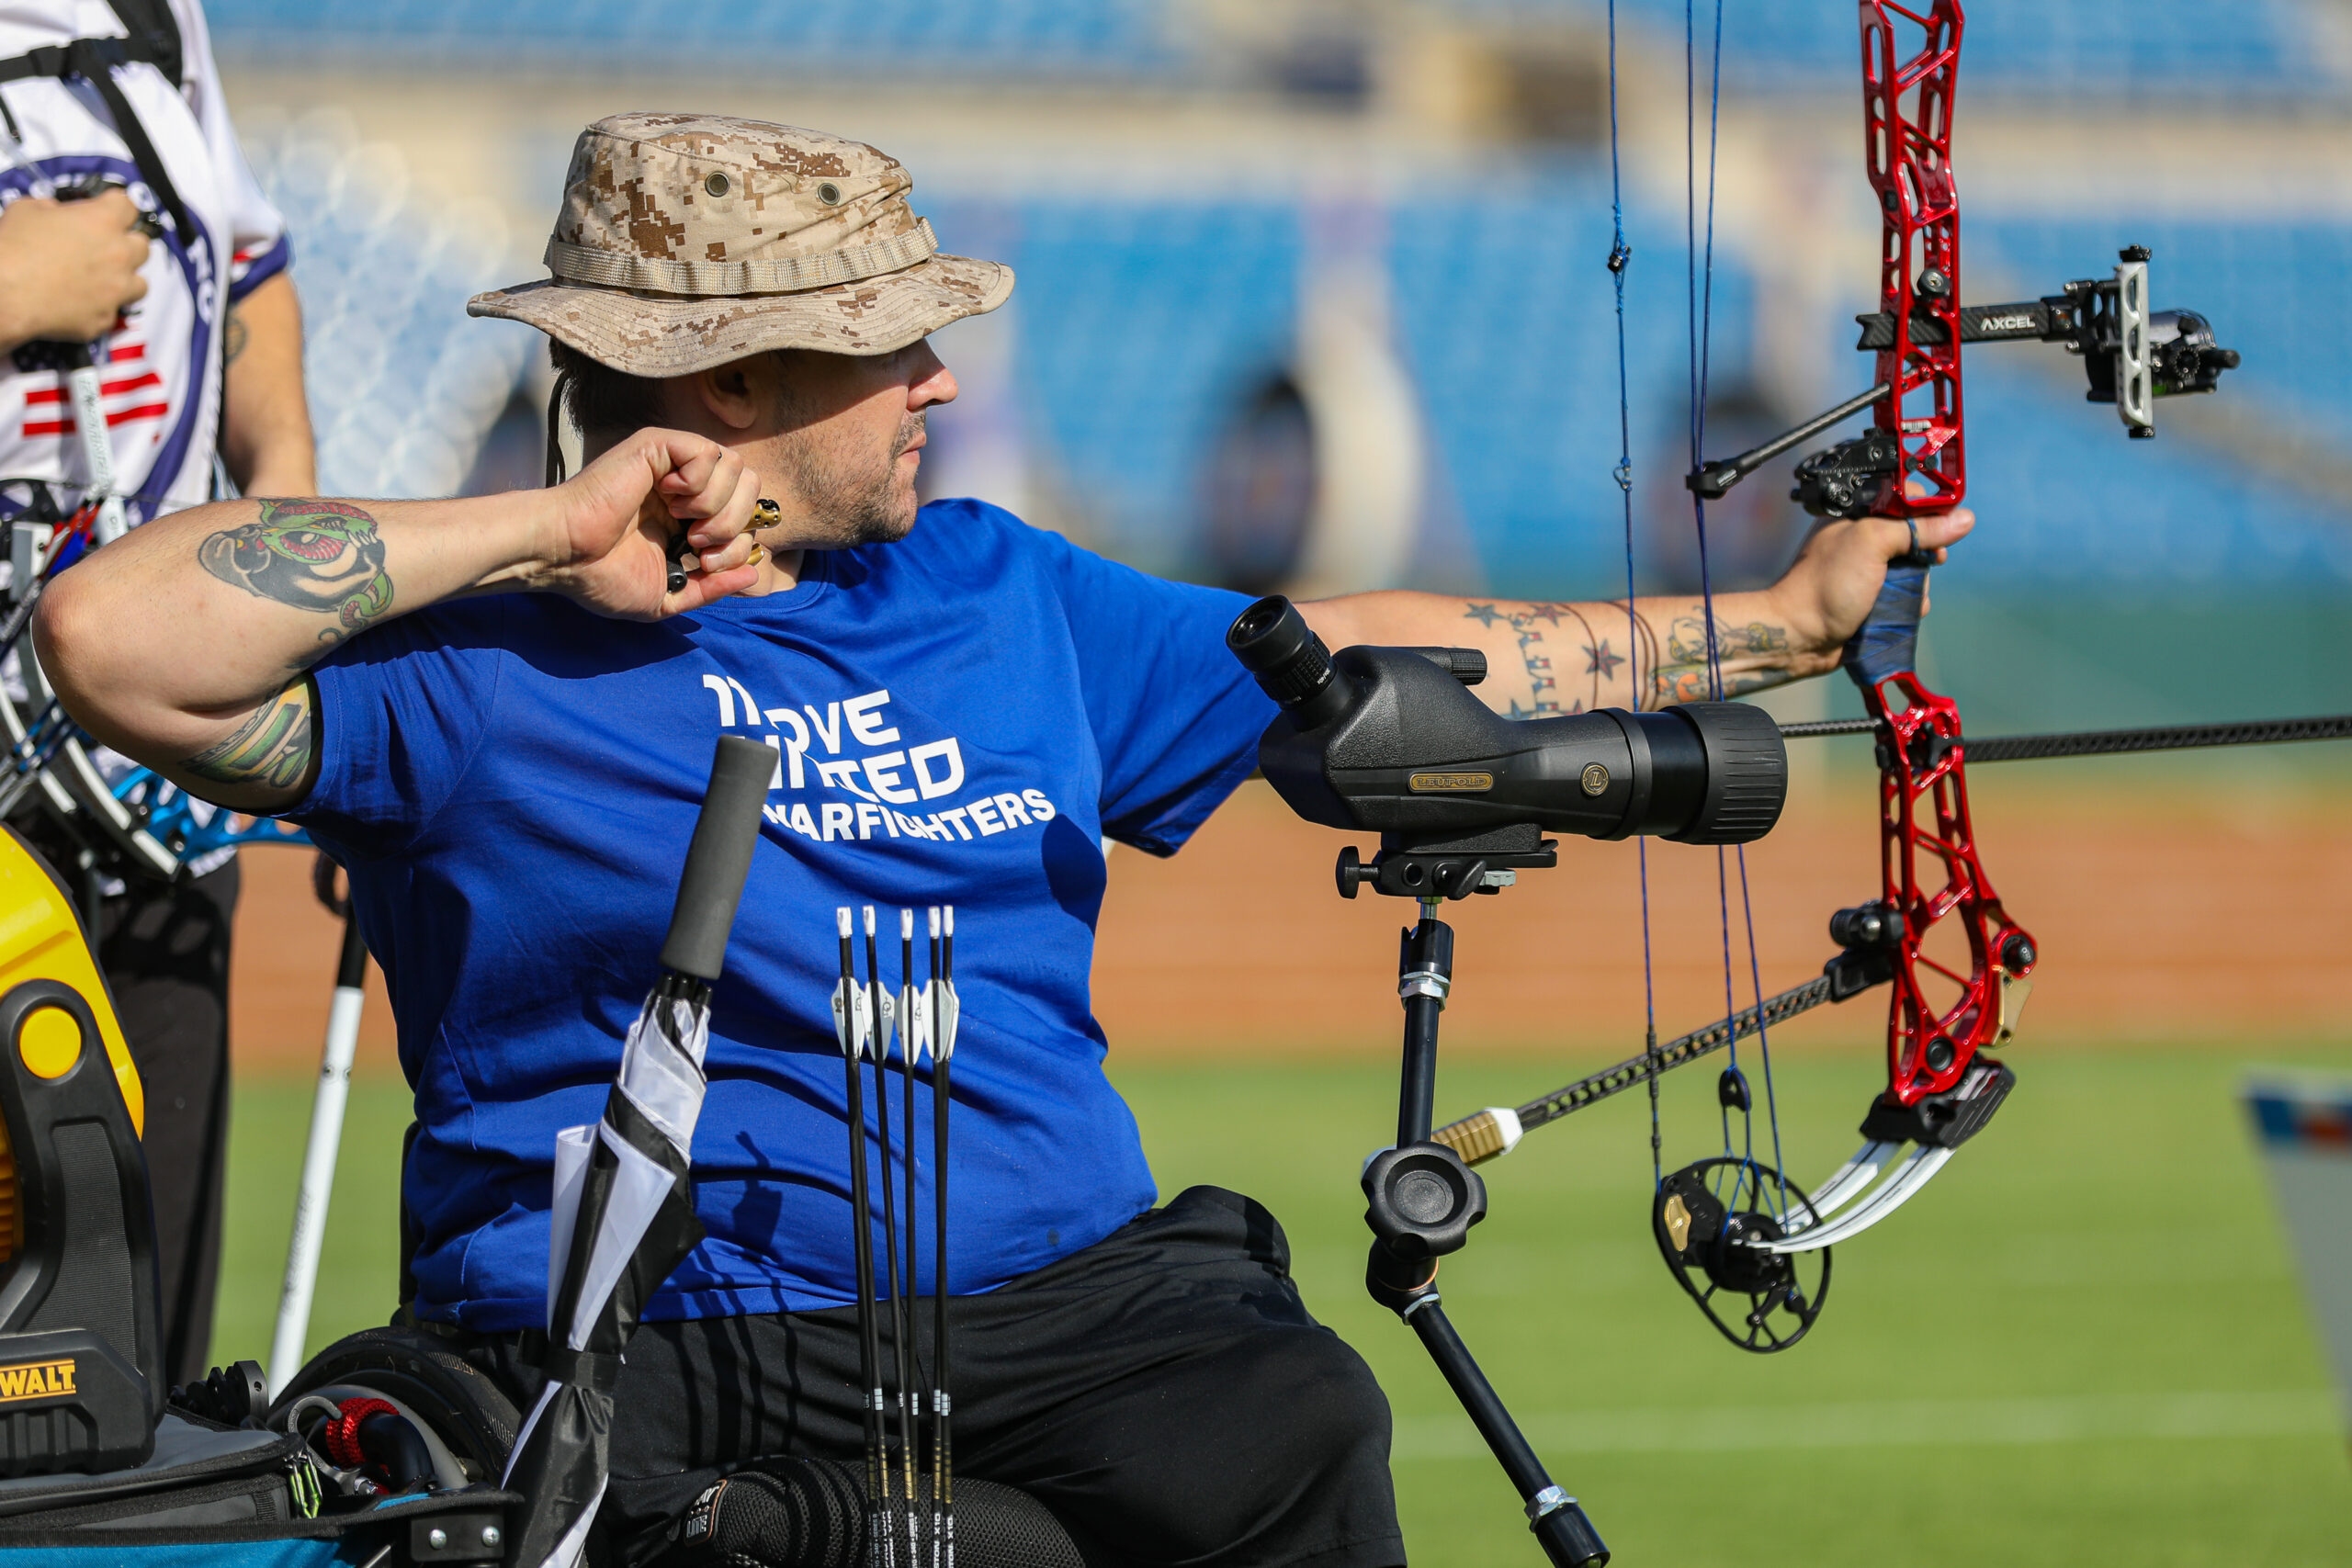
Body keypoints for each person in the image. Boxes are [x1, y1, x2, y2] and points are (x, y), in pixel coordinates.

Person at [34, 113, 1967, 1566]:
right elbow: (109, 638)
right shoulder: (481, 657)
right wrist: (545, 530)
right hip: (673, 1334)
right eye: (893, 347)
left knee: (1288, 1413)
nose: (941, 384)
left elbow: (1365, 651)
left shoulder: (999, 587)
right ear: (733, 384)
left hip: (1069, 1318)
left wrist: (1780, 625)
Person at [0, 0, 313, 1390]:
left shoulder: (154, 14)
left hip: (146, 751)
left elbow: (245, 271)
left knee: (142, 1280)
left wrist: (289, 532)